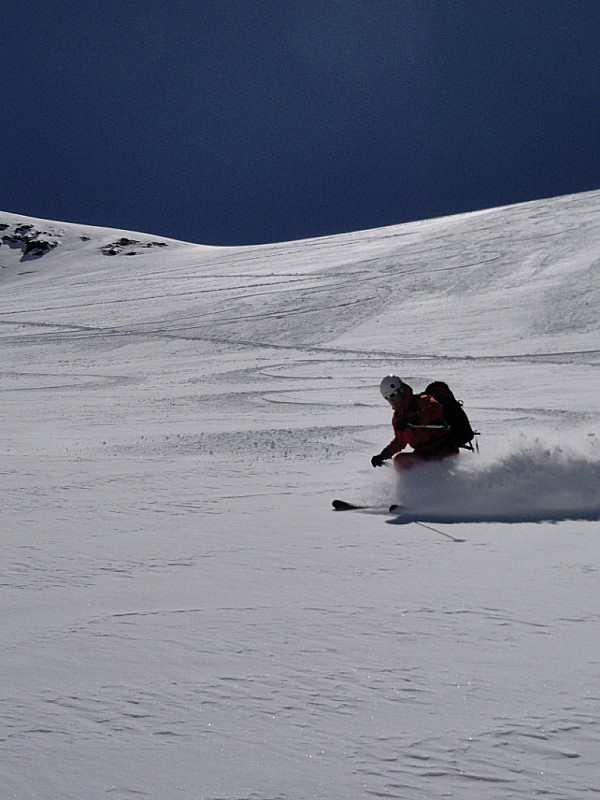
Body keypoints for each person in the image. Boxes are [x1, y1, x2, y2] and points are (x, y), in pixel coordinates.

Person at [371, 375, 459, 469]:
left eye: (393, 395)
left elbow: (436, 408)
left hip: (442, 449)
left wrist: (415, 419)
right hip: (423, 454)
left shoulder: (422, 401)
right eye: (387, 398)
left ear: (401, 391)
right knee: (399, 460)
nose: (391, 400)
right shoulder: (398, 418)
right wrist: (383, 455)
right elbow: (400, 440)